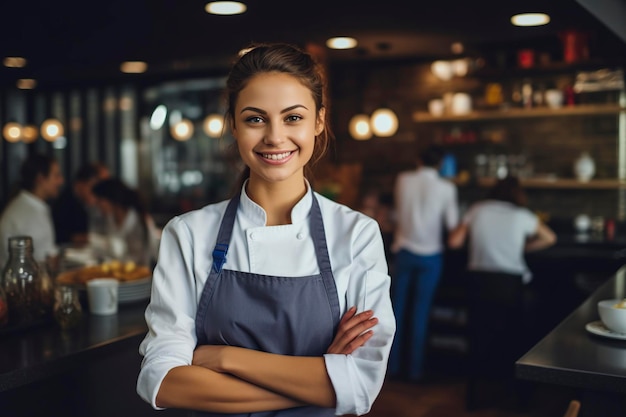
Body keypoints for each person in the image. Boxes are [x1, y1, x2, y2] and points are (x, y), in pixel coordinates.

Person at [136, 42, 396, 416]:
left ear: (319, 121)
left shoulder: (356, 235)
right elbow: (162, 381)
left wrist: (226, 358)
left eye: (293, 118)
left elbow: (362, 384)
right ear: (234, 125)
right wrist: (322, 381)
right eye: (255, 119)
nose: (275, 137)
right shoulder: (188, 234)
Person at [387, 144, 459, 382]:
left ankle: (392, 368)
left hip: (404, 251)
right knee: (421, 312)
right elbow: (452, 225)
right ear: (439, 164)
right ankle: (415, 371)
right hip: (431, 256)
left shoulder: (403, 179)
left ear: (418, 159)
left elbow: (396, 213)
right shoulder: (446, 187)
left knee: (395, 312)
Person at [447, 175, 557, 284]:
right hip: (511, 280)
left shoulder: (477, 209)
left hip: (478, 278)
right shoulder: (521, 215)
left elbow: (454, 242)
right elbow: (550, 238)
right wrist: (525, 247)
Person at [0, 153, 64, 267]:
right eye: (56, 176)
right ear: (40, 179)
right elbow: (46, 261)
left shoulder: (27, 204)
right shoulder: (30, 212)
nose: (61, 181)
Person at [91, 177, 159, 266]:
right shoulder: (110, 218)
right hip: (119, 268)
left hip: (140, 272)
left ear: (111, 199)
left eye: (99, 201)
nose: (97, 205)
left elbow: (139, 258)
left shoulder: (138, 220)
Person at [52, 161, 110, 246]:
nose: (95, 194)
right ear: (80, 184)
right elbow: (59, 235)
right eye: (92, 187)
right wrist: (85, 238)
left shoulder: (88, 203)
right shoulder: (63, 203)